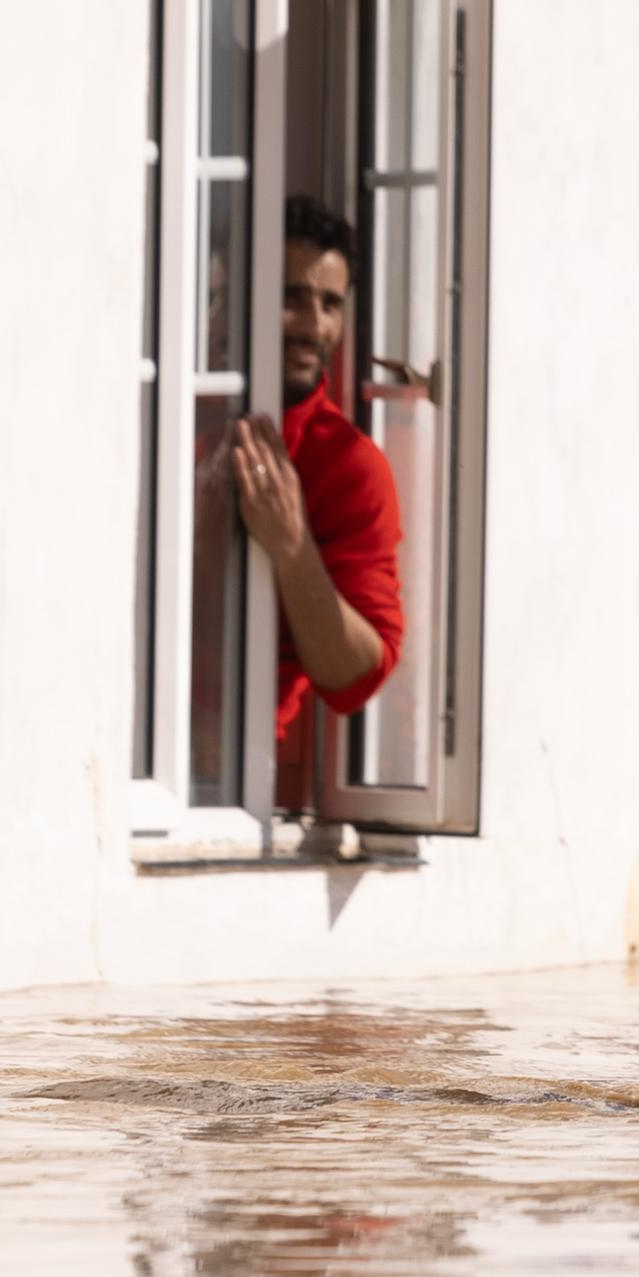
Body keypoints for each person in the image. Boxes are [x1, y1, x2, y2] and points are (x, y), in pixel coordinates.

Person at [224, 196, 402, 814]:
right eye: (291, 297)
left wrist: (291, 546)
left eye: (330, 305)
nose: (313, 325)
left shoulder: (350, 464)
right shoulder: (170, 410)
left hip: (240, 786)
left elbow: (357, 678)